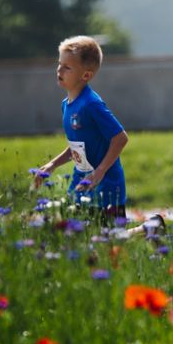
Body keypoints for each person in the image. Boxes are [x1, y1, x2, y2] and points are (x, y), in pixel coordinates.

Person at [33, 35, 151, 232]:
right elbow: (78, 145)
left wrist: (100, 172)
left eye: (67, 67)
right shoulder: (67, 105)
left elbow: (120, 138)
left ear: (86, 75)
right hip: (81, 184)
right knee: (79, 239)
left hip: (106, 186)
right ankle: (149, 229)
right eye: (59, 64)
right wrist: (52, 165)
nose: (59, 70)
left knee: (110, 244)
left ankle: (150, 227)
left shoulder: (91, 104)